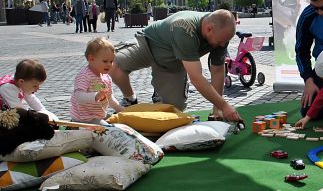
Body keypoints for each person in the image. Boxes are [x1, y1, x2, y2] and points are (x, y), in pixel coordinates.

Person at [109, 9, 242, 121]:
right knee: (112, 64)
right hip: (148, 44)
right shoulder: (185, 28)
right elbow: (196, 77)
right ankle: (130, 99)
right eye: (220, 41)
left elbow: (218, 71)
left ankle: (160, 93)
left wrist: (217, 109)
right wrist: (224, 105)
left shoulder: (221, 36)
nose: (222, 45)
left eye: (225, 42)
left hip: (172, 65)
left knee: (172, 112)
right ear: (209, 29)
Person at [70, 38, 124, 125]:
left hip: (98, 115)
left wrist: (120, 109)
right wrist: (95, 96)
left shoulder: (106, 78)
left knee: (120, 123)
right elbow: (78, 96)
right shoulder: (84, 75)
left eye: (111, 61)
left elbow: (109, 98)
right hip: (84, 118)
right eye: (105, 61)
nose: (109, 64)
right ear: (91, 59)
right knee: (109, 129)